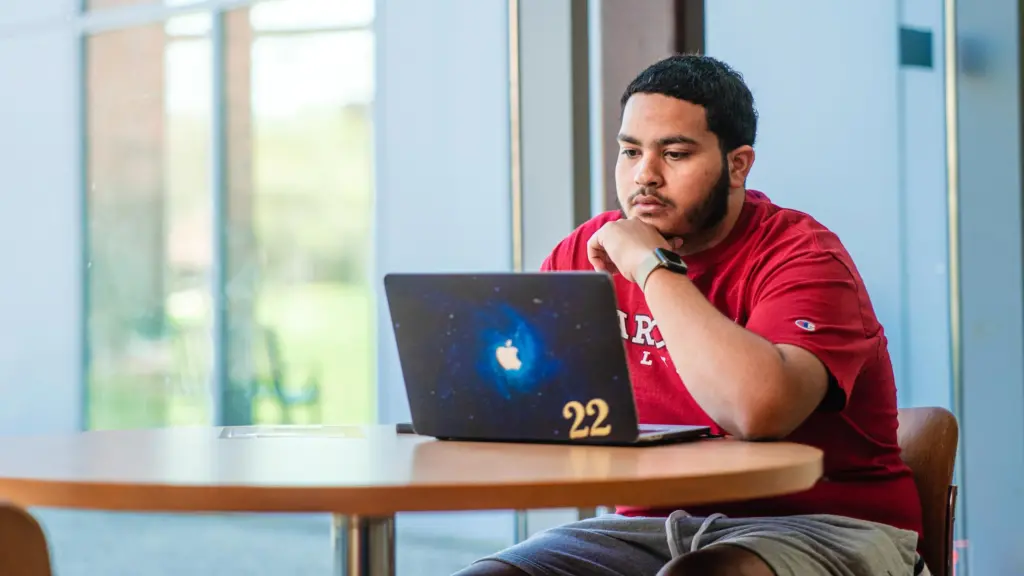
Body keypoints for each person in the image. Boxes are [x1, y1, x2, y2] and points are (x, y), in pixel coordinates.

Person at [454, 54, 925, 576]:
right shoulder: (586, 252)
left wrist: (651, 267)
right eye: (630, 151)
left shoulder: (805, 257)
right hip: (652, 526)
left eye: (674, 154)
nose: (644, 176)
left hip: (824, 523)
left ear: (738, 164)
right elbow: (522, 398)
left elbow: (758, 412)